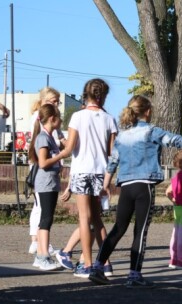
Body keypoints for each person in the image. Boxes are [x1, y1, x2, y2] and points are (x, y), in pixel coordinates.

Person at [87, 95, 182, 288]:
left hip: (126, 187)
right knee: (140, 231)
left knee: (118, 228)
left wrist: (105, 186)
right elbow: (177, 141)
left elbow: (112, 162)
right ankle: (134, 274)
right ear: (148, 111)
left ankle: (97, 267)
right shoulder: (151, 131)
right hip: (144, 186)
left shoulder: (122, 136)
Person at [57, 78, 117, 278]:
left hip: (82, 171)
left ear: (86, 94)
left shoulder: (77, 116)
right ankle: (105, 263)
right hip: (101, 172)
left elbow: (70, 148)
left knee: (84, 218)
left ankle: (88, 265)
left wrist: (54, 155)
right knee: (98, 219)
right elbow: (112, 152)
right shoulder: (109, 119)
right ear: (104, 95)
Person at [27, 104, 67, 270]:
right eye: (59, 117)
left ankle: (41, 256)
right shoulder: (43, 138)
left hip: (49, 183)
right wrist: (61, 155)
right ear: (52, 119)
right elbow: (43, 163)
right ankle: (43, 256)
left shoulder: (48, 137)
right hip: (45, 184)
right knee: (46, 219)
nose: (61, 120)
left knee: (46, 218)